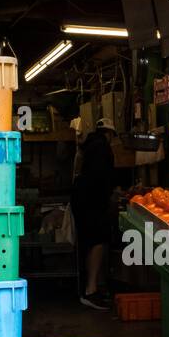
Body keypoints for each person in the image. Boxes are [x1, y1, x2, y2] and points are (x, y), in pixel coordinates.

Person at [71, 118, 118, 310]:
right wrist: (110, 194)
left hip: (82, 199)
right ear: (109, 134)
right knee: (98, 241)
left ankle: (92, 287)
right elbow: (100, 177)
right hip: (93, 201)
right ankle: (91, 291)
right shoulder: (102, 147)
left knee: (89, 242)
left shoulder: (87, 145)